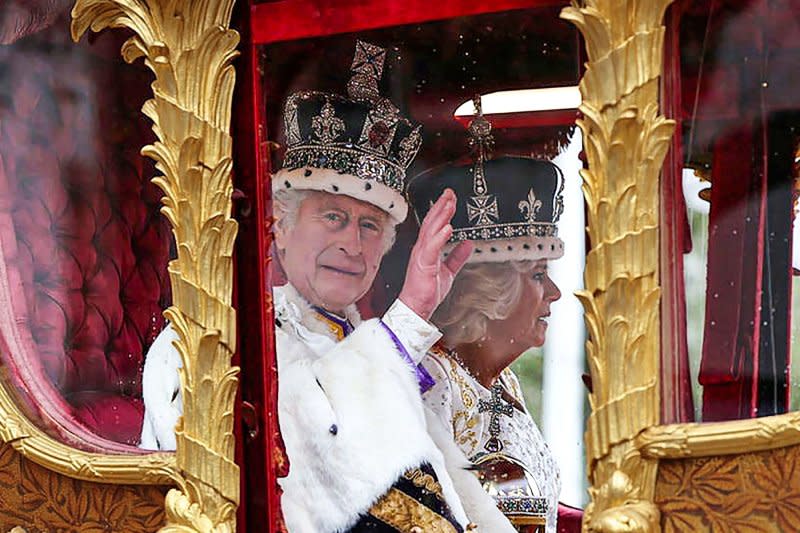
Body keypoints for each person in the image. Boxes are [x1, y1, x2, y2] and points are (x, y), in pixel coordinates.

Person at [140, 42, 517, 533]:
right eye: (334, 218)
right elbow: (308, 478)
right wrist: (406, 323)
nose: (352, 245)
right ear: (282, 225)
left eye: (370, 227)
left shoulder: (375, 347)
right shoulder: (206, 343)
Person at [407, 98, 567, 533]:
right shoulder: (431, 383)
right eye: (537, 276)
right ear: (488, 291)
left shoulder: (502, 382)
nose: (553, 293)